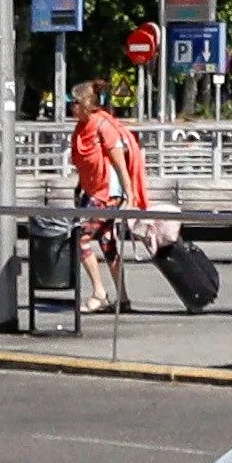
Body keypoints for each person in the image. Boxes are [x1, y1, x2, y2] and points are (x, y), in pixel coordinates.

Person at [66, 85, 153, 313]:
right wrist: (79, 189)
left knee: (80, 239)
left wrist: (130, 195)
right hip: (91, 193)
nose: (71, 107)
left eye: (75, 103)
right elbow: (84, 166)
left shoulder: (103, 127)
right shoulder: (79, 130)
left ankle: (99, 292)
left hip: (107, 194)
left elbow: (120, 164)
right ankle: (122, 298)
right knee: (107, 244)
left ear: (86, 104)